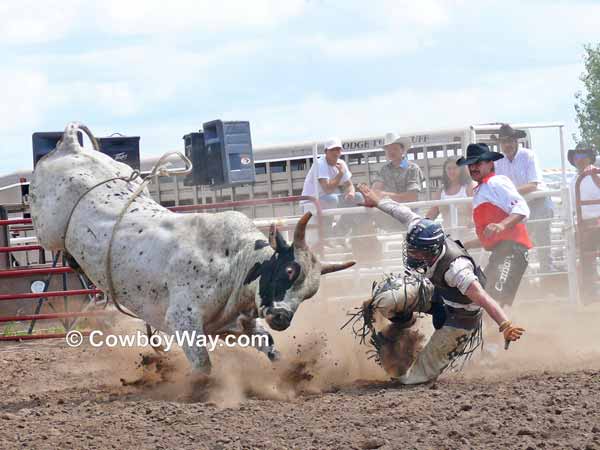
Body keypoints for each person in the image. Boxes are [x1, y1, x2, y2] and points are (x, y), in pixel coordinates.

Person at [356, 181, 525, 385]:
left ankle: (410, 365)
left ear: (432, 250)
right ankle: (404, 323)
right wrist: (377, 201)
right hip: (437, 294)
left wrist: (504, 324)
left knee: (415, 378)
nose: (411, 253)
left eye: (417, 251)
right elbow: (399, 211)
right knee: (388, 297)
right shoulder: (420, 227)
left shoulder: (457, 269)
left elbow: (482, 296)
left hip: (461, 316)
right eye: (411, 248)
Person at [457, 143, 532, 307]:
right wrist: (466, 245)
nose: (473, 167)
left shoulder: (496, 182)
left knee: (493, 299)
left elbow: (521, 208)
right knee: (484, 297)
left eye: (478, 163)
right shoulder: (481, 191)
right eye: (471, 164)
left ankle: (497, 330)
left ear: (490, 163)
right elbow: (489, 235)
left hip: (512, 250)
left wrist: (502, 225)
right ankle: (499, 329)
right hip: (502, 252)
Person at [493, 124, 555, 273]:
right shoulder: (498, 162)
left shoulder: (528, 155)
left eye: (510, 140)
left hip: (537, 203)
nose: (507, 144)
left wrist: (508, 193)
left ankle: (547, 276)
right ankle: (526, 280)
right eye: (504, 141)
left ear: (516, 141)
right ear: (500, 143)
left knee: (541, 242)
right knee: (521, 243)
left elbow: (533, 185)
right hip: (520, 206)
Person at [301, 138, 364, 237]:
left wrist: (351, 193)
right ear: (326, 152)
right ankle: (327, 235)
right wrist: (340, 174)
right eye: (333, 150)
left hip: (327, 200)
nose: (336, 152)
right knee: (332, 199)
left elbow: (349, 185)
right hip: (310, 202)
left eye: (338, 149)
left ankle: (340, 232)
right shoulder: (320, 163)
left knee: (358, 197)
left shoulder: (341, 163)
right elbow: (327, 189)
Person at [371, 132, 424, 231]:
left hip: (409, 214)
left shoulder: (412, 168)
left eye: (394, 148)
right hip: (391, 216)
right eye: (388, 149)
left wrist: (385, 195)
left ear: (403, 150)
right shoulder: (384, 170)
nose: (391, 152)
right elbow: (375, 193)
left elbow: (411, 197)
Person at [568, 143, 600, 304]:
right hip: (583, 225)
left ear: (589, 158)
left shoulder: (596, 174)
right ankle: (591, 296)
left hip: (597, 222)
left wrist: (594, 174)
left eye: (583, 156)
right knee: (587, 260)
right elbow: (573, 208)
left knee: (589, 258)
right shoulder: (573, 181)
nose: (579, 160)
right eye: (577, 156)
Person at [425, 156, 475, 240]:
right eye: (449, 168)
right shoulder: (441, 190)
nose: (451, 171)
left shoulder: (469, 186)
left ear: (462, 169)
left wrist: (473, 221)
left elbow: (475, 209)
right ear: (445, 170)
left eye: (455, 168)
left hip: (468, 234)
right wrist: (421, 225)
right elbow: (432, 213)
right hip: (448, 236)